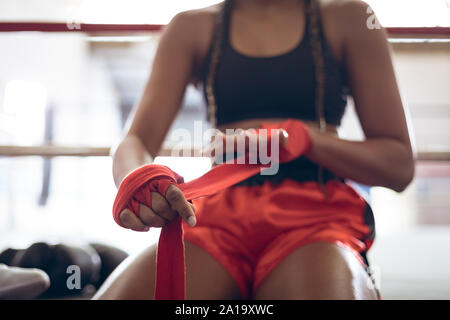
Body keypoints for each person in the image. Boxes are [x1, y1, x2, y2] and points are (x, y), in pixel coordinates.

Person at [94, 0, 415, 300]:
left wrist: (305, 139)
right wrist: (141, 179)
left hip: (316, 216)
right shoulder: (190, 27)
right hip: (216, 216)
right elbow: (134, 141)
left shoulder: (352, 17)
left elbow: (399, 164)